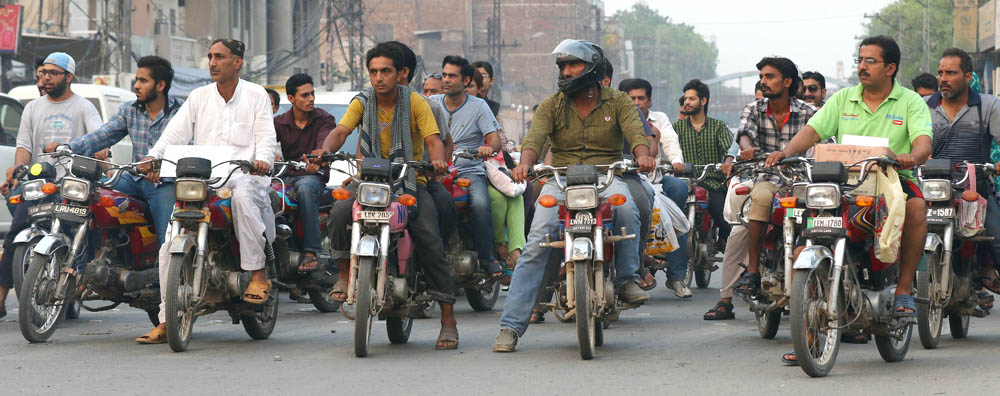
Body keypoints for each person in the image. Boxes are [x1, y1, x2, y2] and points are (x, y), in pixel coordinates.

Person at [766, 36, 932, 364]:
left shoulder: (910, 102)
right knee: (804, 233)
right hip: (843, 185)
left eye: (870, 61)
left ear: (890, 68)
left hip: (892, 180)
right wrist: (785, 153)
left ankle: (902, 291)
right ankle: (808, 337)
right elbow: (812, 132)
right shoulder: (843, 99)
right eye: (860, 59)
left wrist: (911, 157)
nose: (862, 66)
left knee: (916, 206)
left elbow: (923, 143)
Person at [493, 39, 655, 352]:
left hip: (607, 176)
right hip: (561, 179)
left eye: (572, 65)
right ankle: (511, 327)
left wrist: (643, 154)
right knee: (537, 239)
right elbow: (535, 139)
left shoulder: (619, 101)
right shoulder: (553, 104)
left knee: (627, 211)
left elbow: (636, 135)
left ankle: (626, 279)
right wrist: (525, 164)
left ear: (593, 67)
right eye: (562, 66)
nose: (566, 71)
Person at [314, 42, 458, 350]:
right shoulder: (362, 102)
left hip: (409, 180)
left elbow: (434, 140)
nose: (378, 78)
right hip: (369, 178)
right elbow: (341, 131)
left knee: (429, 238)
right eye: (373, 71)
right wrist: (323, 151)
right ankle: (343, 273)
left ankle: (448, 319)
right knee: (339, 211)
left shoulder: (418, 103)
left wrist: (437, 160)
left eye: (385, 71)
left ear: (400, 73)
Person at [138, 38, 278, 343]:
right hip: (205, 178)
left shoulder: (255, 95)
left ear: (237, 62)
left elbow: (266, 136)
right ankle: (166, 319)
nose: (212, 63)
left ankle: (257, 274)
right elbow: (173, 133)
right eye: (210, 57)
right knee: (168, 242)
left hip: (245, 176)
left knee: (242, 197)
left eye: (220, 57)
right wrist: (153, 156)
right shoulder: (199, 96)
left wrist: (263, 161)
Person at [706, 57, 817, 320]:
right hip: (768, 177)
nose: (763, 82)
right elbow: (744, 132)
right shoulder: (755, 109)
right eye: (762, 77)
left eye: (769, 77)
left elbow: (823, 138)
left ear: (787, 82)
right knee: (760, 196)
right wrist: (746, 148)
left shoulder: (809, 113)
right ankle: (753, 270)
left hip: (803, 179)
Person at [0, 52, 103, 319]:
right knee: (16, 233)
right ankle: (0, 297)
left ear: (68, 77)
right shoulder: (33, 107)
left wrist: (101, 151)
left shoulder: (83, 107)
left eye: (52, 73)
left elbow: (98, 138)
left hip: (72, 183)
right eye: (43, 72)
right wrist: (17, 168)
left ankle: (78, 281)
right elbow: (24, 145)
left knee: (82, 234)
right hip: (40, 182)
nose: (45, 77)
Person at [47, 54, 182, 256]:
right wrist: (68, 147)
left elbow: (186, 147)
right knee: (90, 197)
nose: (136, 85)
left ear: (160, 85)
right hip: (133, 178)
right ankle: (89, 263)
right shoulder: (129, 110)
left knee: (167, 236)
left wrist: (164, 168)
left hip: (164, 182)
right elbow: (103, 135)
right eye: (136, 80)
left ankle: (165, 282)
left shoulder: (179, 112)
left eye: (143, 81)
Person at [925, 48, 1000, 304]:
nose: (943, 78)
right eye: (940, 72)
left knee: (996, 236)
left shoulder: (989, 106)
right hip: (932, 189)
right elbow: (911, 144)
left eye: (951, 73)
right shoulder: (924, 107)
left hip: (975, 189)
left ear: (968, 77)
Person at [618, 77, 691, 297]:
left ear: (649, 100)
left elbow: (668, 141)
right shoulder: (614, 116)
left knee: (677, 197)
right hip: (619, 178)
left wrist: (676, 161)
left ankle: (676, 277)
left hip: (654, 178)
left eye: (641, 98)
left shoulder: (658, 121)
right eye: (631, 99)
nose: (636, 103)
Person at [430, 55, 502, 279]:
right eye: (444, 75)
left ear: (466, 80)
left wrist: (487, 148)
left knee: (480, 204)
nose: (447, 80)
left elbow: (495, 139)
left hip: (469, 170)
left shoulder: (479, 106)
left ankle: (486, 259)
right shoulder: (431, 104)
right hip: (437, 170)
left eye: (453, 76)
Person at [273, 73, 335, 273]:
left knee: (306, 188)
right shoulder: (279, 122)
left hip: (311, 176)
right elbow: (267, 145)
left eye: (312, 94)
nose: (311, 99)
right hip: (285, 176)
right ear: (291, 98)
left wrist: (318, 157)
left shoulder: (324, 119)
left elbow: (324, 143)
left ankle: (312, 251)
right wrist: (269, 156)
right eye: (305, 95)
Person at [675, 79, 733, 254]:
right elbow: (668, 151)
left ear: (703, 101)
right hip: (683, 183)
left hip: (713, 182)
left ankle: (723, 238)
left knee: (725, 220)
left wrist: (727, 163)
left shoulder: (718, 127)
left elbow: (729, 150)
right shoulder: (676, 128)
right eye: (686, 99)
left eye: (691, 99)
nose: (687, 102)